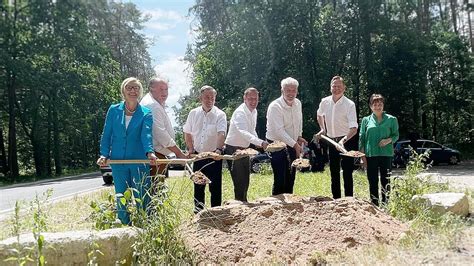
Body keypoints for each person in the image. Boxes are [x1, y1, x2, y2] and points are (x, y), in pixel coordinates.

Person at [97, 77, 158, 225]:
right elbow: (107, 134)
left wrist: (149, 152)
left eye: (136, 88)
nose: (133, 91)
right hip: (118, 160)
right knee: (121, 196)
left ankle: (145, 226)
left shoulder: (146, 113)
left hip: (138, 160)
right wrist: (104, 154)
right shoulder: (114, 110)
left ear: (140, 91)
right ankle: (124, 226)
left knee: (142, 195)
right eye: (129, 88)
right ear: (123, 90)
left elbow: (147, 134)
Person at [183, 85, 227, 213]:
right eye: (207, 97)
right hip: (198, 156)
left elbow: (221, 133)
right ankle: (198, 214)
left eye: (212, 97)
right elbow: (187, 132)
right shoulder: (193, 113)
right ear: (200, 98)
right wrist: (190, 149)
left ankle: (216, 213)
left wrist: (219, 150)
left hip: (214, 156)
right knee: (198, 186)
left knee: (215, 187)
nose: (210, 100)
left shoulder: (220, 114)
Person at [315, 76, 358, 199]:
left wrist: (343, 141)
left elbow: (354, 128)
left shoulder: (349, 104)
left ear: (344, 88)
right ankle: (336, 199)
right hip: (331, 140)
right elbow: (319, 115)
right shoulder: (325, 101)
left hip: (347, 140)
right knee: (334, 172)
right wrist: (323, 129)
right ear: (330, 88)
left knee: (347, 171)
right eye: (334, 86)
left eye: (339, 86)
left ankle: (349, 199)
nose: (336, 89)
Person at [225, 87, 268, 202]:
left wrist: (258, 141)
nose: (253, 101)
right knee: (239, 180)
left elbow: (251, 129)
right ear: (244, 98)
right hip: (233, 148)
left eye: (256, 99)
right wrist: (261, 142)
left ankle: (244, 202)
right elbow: (243, 132)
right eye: (250, 99)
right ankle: (239, 204)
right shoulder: (240, 112)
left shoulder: (254, 111)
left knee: (246, 179)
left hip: (245, 148)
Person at [266, 77, 307, 195]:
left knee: (291, 175)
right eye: (288, 90)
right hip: (276, 144)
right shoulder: (275, 106)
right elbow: (279, 131)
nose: (291, 93)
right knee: (280, 177)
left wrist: (299, 136)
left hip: (293, 142)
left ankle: (289, 203)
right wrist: (295, 145)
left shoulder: (298, 103)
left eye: (293, 90)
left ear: (297, 91)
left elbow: (299, 121)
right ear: (282, 90)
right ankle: (276, 204)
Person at [140, 78, 187, 177]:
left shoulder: (153, 102)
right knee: (156, 188)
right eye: (161, 89)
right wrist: (179, 153)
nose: (165, 93)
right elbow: (160, 134)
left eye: (166, 89)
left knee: (156, 187)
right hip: (154, 155)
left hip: (156, 154)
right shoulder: (153, 105)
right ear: (151, 89)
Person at [359, 94, 399, 206]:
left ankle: (386, 204)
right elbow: (362, 139)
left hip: (386, 154)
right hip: (371, 155)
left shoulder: (392, 119)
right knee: (372, 180)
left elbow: (396, 135)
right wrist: (362, 157)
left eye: (380, 104)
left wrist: (388, 140)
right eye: (375, 104)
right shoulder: (366, 120)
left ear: (383, 105)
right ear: (371, 106)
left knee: (386, 180)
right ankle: (374, 204)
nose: (378, 106)